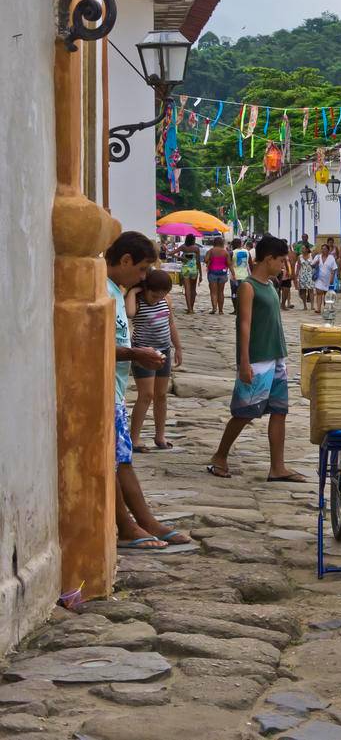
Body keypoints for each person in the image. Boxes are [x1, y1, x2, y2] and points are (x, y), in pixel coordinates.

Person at [106, 232, 194, 550]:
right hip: (104, 387)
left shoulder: (115, 290)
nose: (144, 277)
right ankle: (130, 524)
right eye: (142, 269)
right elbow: (93, 341)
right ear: (126, 260)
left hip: (113, 388)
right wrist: (135, 354)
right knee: (117, 460)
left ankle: (142, 521)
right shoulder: (104, 291)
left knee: (121, 458)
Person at [209, 234, 304, 482]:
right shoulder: (248, 287)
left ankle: (278, 466)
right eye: (281, 260)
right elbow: (244, 325)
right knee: (245, 411)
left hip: (276, 356)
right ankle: (220, 455)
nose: (283, 265)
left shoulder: (271, 286)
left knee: (279, 410)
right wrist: (243, 362)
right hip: (257, 358)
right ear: (269, 259)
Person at [128, 268, 181, 452]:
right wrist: (134, 291)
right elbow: (129, 313)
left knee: (161, 394)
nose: (157, 298)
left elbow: (171, 323)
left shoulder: (166, 300)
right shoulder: (138, 301)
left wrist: (178, 347)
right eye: (153, 294)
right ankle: (133, 438)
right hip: (142, 352)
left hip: (164, 350)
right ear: (145, 289)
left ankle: (160, 435)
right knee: (146, 395)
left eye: (161, 295)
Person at [204, 237, 229, 315]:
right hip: (223, 273)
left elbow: (205, 260)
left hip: (213, 272)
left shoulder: (211, 251)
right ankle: (221, 310)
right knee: (221, 292)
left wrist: (211, 259)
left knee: (213, 292)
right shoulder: (225, 252)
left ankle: (214, 308)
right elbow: (229, 263)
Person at [176, 235, 200, 314]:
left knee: (187, 289)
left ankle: (189, 309)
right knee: (193, 289)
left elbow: (170, 253)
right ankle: (192, 308)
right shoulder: (196, 248)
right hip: (193, 269)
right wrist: (201, 274)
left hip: (185, 269)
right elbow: (198, 261)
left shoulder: (183, 247)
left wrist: (181, 258)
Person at [229, 238, 250, 312]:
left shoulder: (232, 253)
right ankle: (242, 309)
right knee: (243, 294)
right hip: (245, 276)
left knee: (234, 293)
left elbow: (229, 264)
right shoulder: (247, 252)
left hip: (234, 276)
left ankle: (235, 309)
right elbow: (250, 264)